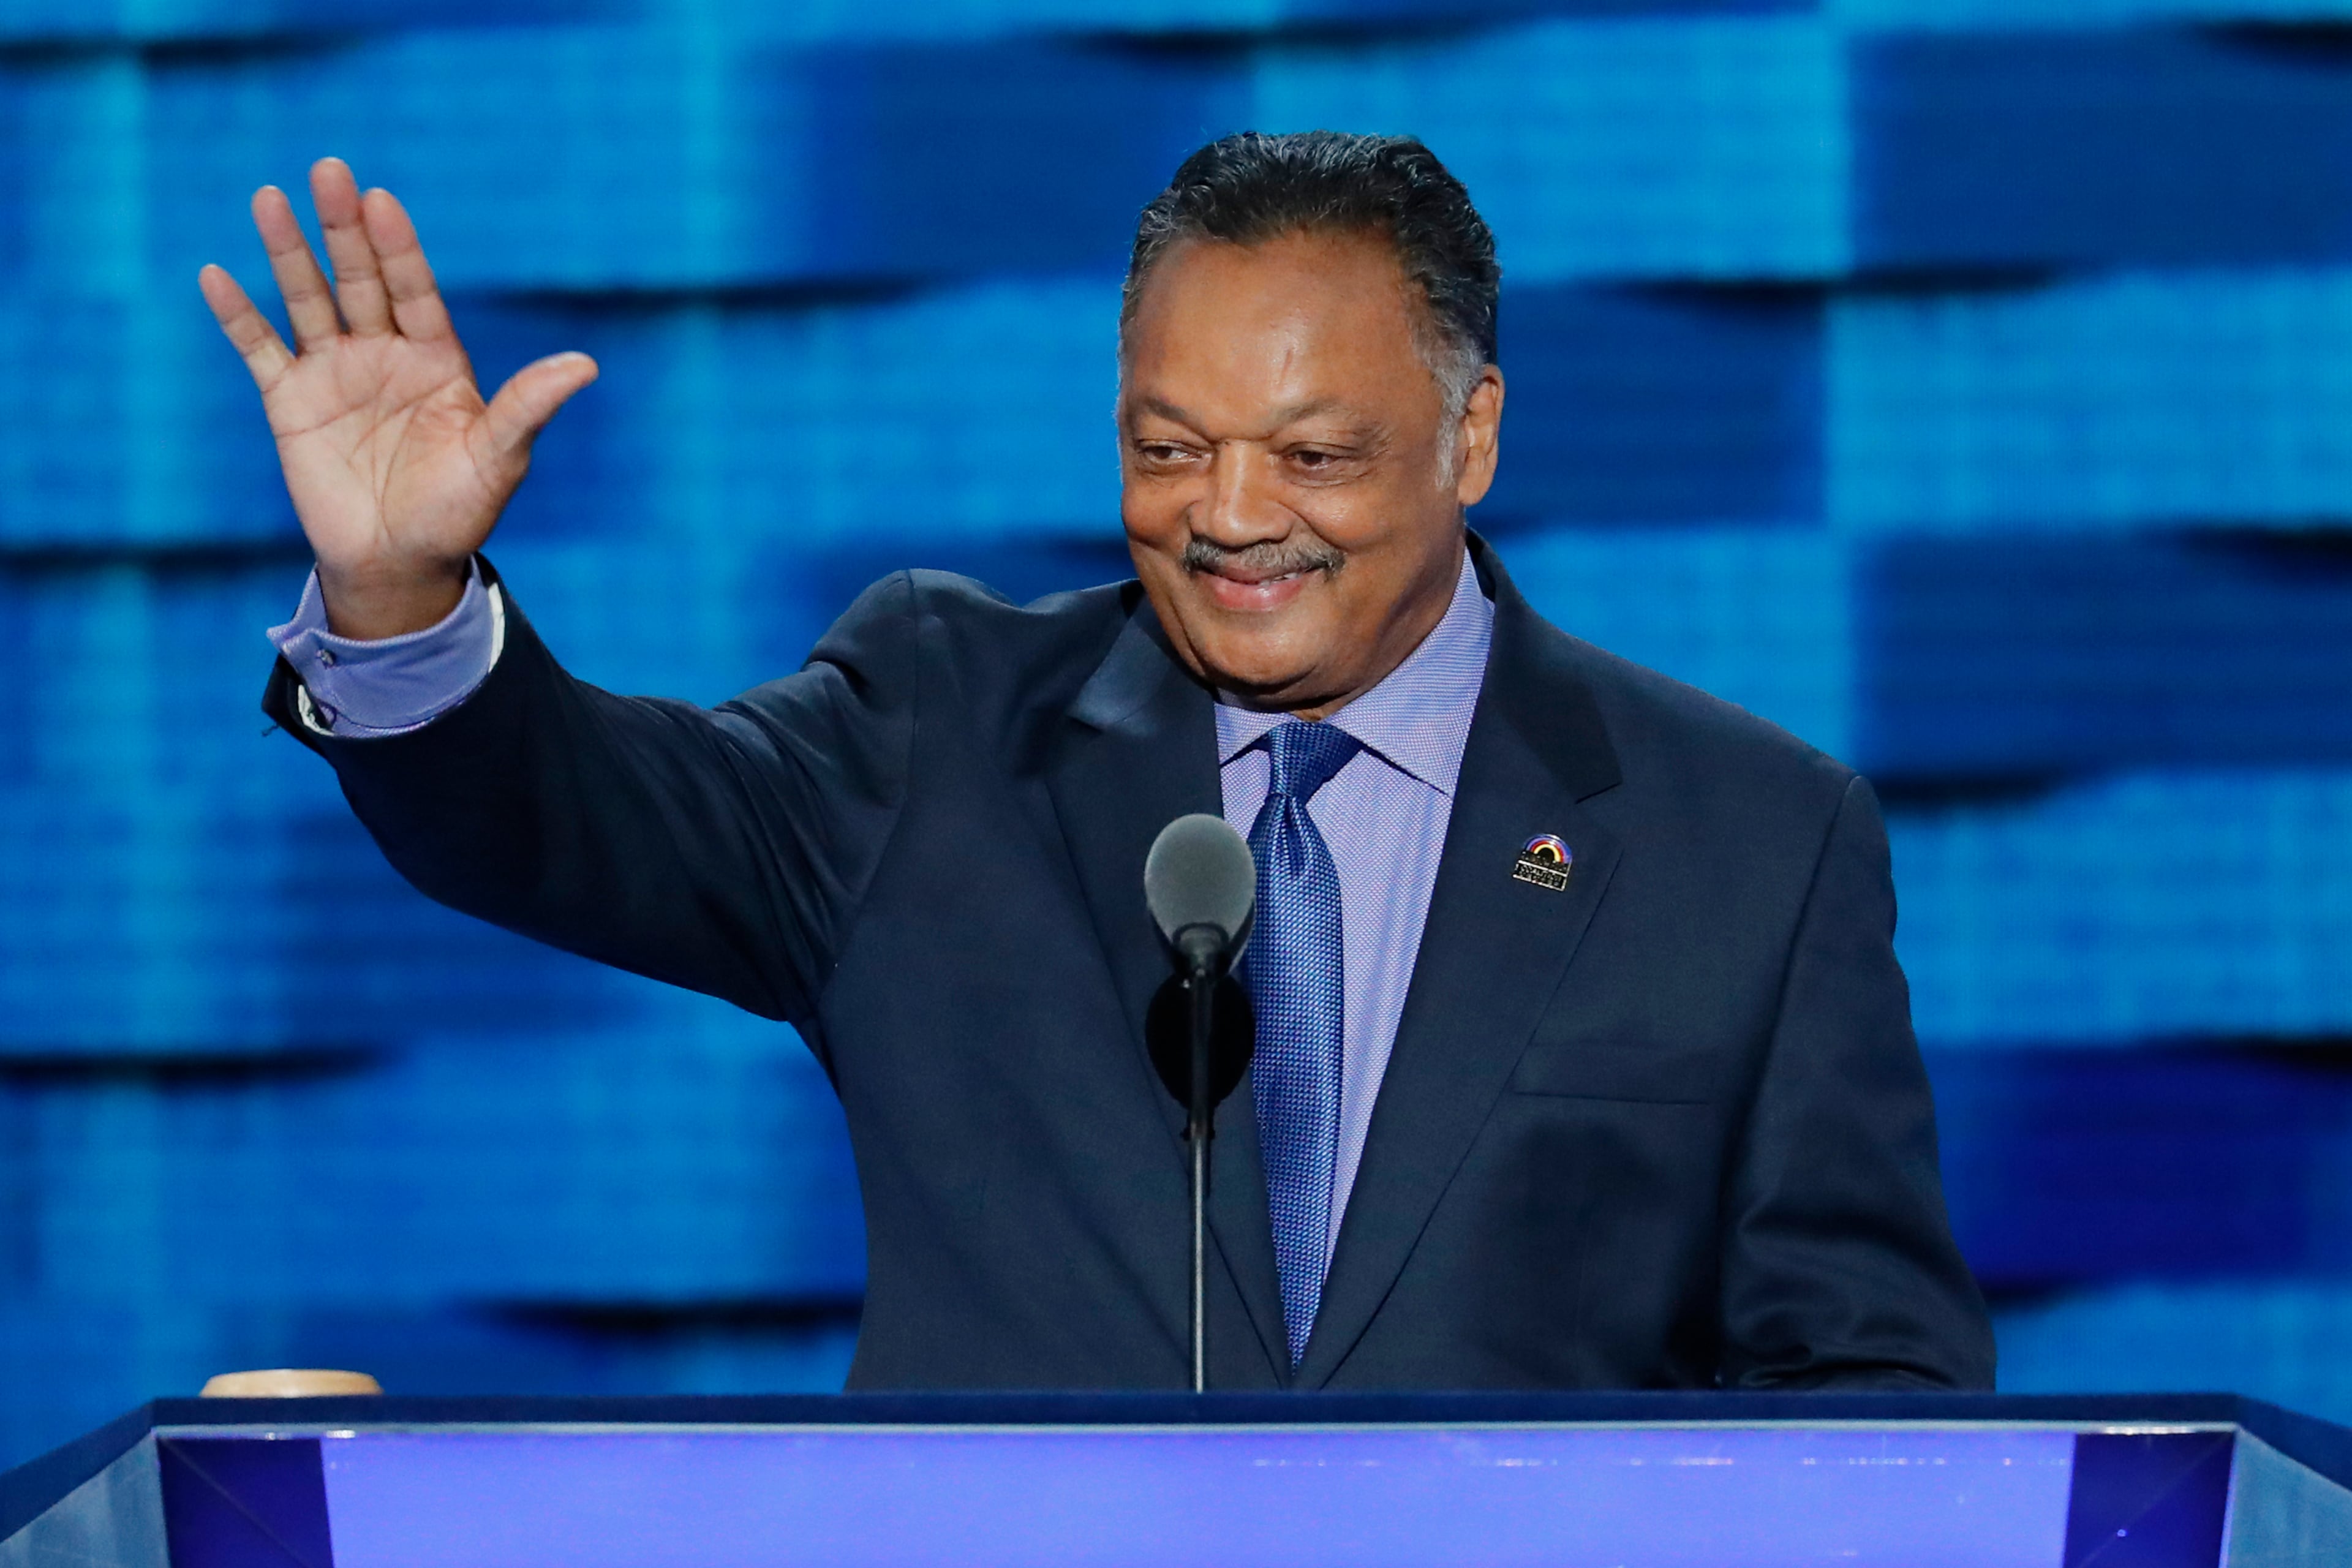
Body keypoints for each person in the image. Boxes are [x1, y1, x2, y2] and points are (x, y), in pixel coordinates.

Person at [200, 132, 1994, 1392]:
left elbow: (1872, 1391)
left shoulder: (1749, 839)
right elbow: (564, 820)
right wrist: (400, 591)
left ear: (1473, 435)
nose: (1229, 519)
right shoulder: (940, 728)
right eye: (1168, 445)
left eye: (1311, 455)